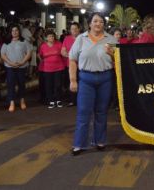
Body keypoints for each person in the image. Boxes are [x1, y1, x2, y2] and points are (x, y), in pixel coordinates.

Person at [69, 12, 118, 155]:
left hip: (105, 78)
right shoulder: (81, 38)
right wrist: (73, 80)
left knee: (101, 111)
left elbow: (119, 63)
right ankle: (79, 144)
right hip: (86, 79)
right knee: (83, 111)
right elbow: (72, 60)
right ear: (89, 23)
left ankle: (100, 141)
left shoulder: (112, 39)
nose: (98, 24)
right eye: (95, 21)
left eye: (101, 21)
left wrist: (112, 54)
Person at [0, 25, 32, 112]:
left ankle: (22, 100)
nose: (14, 32)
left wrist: (22, 62)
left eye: (16, 30)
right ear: (10, 32)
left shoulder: (24, 41)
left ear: (19, 31)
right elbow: (3, 54)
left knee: (21, 84)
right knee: (11, 85)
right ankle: (12, 102)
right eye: (12, 31)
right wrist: (10, 63)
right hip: (10, 67)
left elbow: (29, 53)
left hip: (21, 66)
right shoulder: (6, 42)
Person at [39, 30, 65, 109]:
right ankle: (51, 101)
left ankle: (58, 100)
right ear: (46, 38)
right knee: (49, 85)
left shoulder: (59, 44)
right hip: (47, 69)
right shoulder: (43, 46)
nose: (51, 38)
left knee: (58, 85)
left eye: (53, 36)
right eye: (50, 36)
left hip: (59, 67)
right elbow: (39, 55)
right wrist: (42, 61)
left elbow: (63, 53)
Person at [61, 22, 81, 107]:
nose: (74, 30)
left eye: (76, 29)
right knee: (71, 82)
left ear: (79, 29)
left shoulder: (83, 38)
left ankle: (81, 100)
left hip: (81, 65)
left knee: (81, 82)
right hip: (70, 65)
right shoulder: (67, 38)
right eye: (72, 29)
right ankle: (72, 100)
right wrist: (70, 55)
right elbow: (63, 51)